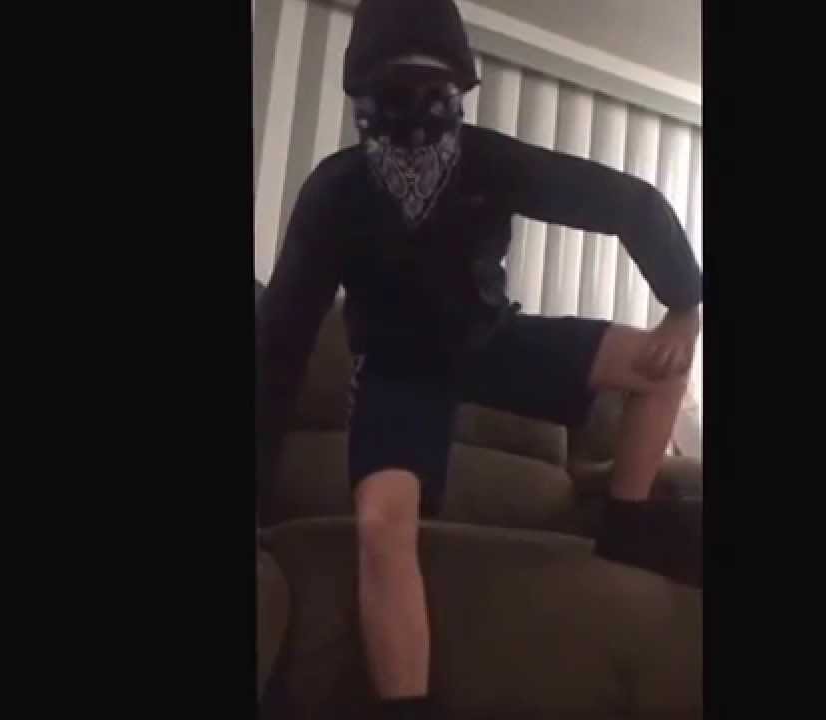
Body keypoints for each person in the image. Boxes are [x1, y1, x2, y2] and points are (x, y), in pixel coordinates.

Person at [256, 0, 703, 716]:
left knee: (666, 362)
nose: (413, 113)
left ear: (460, 91)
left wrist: (684, 301)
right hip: (398, 366)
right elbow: (279, 345)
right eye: (393, 91)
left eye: (431, 89)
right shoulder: (335, 193)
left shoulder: (491, 162)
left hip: (488, 339)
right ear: (361, 99)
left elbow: (629, 203)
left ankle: (626, 522)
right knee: (381, 525)